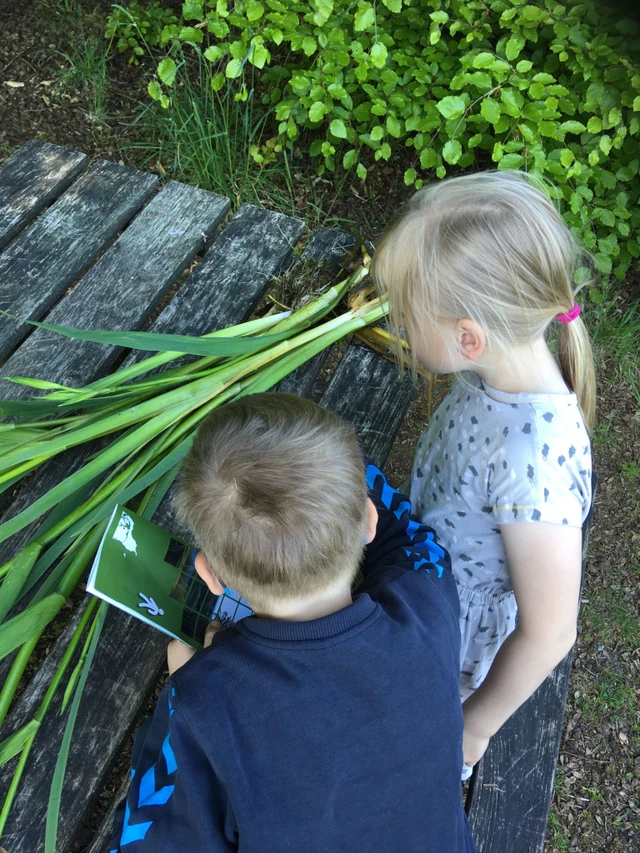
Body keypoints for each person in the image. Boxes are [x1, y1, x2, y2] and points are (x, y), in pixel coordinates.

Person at [109, 393, 476, 853]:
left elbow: (151, 840)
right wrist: (319, 468)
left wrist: (189, 681)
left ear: (211, 575)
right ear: (368, 520)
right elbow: (413, 537)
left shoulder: (202, 707)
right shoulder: (424, 597)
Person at [372, 171, 594, 778]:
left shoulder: (531, 469)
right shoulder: (494, 374)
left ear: (468, 337)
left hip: (451, 641)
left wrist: (475, 726)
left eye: (406, 314)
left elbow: (551, 633)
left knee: (412, 751)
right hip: (426, 578)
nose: (398, 325)